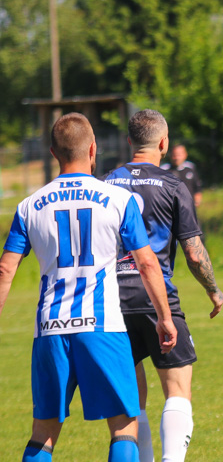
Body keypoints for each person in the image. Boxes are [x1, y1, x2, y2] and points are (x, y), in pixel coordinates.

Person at [0, 113, 177, 462]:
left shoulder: (28, 206)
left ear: (53, 153)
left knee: (43, 432)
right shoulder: (117, 199)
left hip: (50, 328)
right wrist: (164, 317)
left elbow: (6, 268)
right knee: (125, 426)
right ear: (93, 148)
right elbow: (146, 263)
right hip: (103, 326)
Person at [103, 110, 223, 462]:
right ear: (164, 142)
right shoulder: (174, 186)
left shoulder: (106, 182)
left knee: (131, 398)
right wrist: (212, 290)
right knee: (177, 389)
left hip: (111, 299)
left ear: (129, 142)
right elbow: (194, 254)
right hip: (155, 295)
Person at [161, 144, 202, 209]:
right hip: (170, 208)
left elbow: (197, 187)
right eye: (174, 155)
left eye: (179, 155)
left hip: (188, 207)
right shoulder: (164, 170)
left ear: (185, 155)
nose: (177, 158)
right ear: (170, 155)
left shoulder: (190, 168)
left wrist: (197, 202)